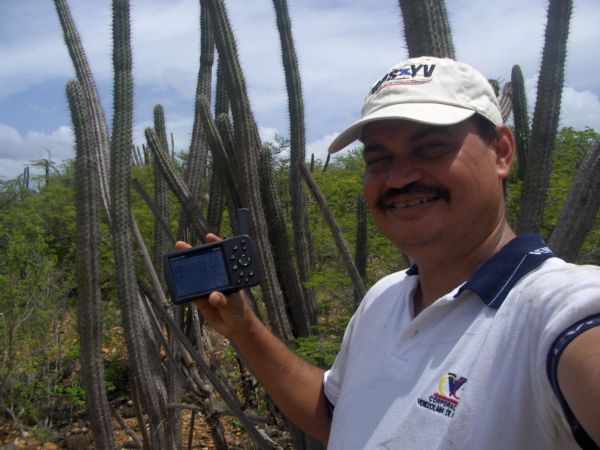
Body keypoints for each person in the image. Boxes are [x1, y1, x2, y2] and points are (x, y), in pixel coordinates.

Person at [176, 56, 600, 449]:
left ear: (501, 151)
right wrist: (244, 327)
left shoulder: (560, 312)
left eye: (430, 147)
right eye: (378, 159)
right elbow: (336, 415)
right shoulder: (385, 297)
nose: (398, 178)